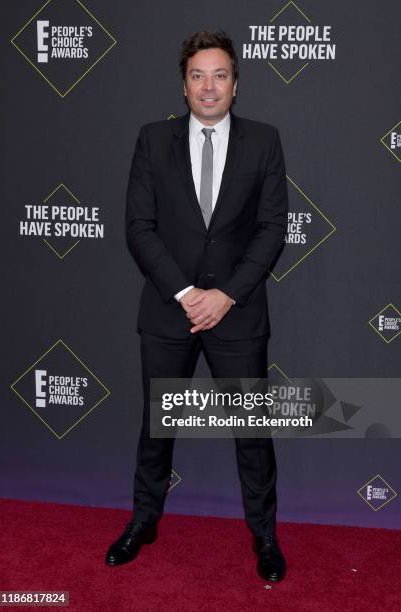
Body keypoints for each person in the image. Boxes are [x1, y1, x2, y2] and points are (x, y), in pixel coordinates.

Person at [105, 30, 288, 582]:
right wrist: (187, 295)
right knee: (156, 426)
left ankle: (265, 536)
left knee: (252, 433)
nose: (209, 87)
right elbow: (139, 228)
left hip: (239, 312)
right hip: (169, 310)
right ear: (183, 86)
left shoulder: (264, 141)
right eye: (197, 75)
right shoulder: (151, 140)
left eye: (220, 75)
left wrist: (225, 295)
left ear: (237, 85)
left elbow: (271, 229)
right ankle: (143, 521)